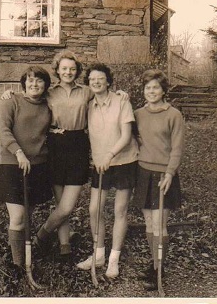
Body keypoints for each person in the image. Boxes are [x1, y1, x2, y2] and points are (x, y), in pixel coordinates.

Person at [0, 50, 128, 261]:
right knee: (61, 204)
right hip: (55, 145)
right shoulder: (50, 92)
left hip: (78, 144)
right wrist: (10, 93)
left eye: (72, 68)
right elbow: (28, 94)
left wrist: (121, 93)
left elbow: (105, 93)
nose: (68, 72)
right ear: (57, 70)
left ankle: (42, 234)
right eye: (64, 68)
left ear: (77, 71)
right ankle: (64, 246)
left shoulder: (86, 91)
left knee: (68, 206)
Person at [75, 63, 138, 279]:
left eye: (100, 78)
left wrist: (109, 155)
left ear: (108, 81)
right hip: (100, 164)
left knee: (119, 211)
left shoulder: (122, 101)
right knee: (95, 209)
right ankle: (98, 254)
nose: (96, 82)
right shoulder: (88, 105)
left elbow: (126, 135)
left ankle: (113, 260)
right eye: (92, 79)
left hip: (124, 161)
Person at [0, 66, 53, 277]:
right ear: (23, 83)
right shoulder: (10, 102)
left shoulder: (48, 105)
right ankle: (18, 264)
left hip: (37, 165)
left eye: (39, 81)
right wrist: (18, 153)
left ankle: (27, 256)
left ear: (46, 85)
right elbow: (2, 130)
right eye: (30, 80)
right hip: (13, 164)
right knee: (18, 216)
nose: (34, 84)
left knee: (28, 215)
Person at [132, 69, 185, 290]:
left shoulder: (174, 115)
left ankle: (159, 270)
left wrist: (170, 173)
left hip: (164, 175)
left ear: (163, 90)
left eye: (155, 87)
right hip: (143, 172)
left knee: (160, 224)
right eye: (147, 87)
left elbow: (177, 148)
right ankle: (155, 264)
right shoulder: (138, 114)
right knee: (149, 223)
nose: (151, 91)